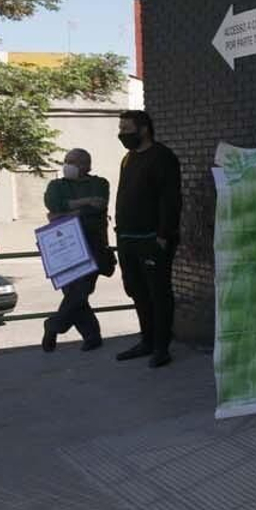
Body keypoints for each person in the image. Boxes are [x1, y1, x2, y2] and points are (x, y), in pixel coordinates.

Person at [114, 110, 182, 368]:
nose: (122, 134)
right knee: (136, 290)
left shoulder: (162, 157)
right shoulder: (128, 159)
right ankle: (147, 340)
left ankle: (161, 347)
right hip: (127, 238)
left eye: (126, 128)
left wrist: (164, 235)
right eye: (120, 129)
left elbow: (171, 199)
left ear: (143, 129)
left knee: (158, 292)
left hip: (153, 239)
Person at [41, 148, 112, 353]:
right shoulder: (56, 185)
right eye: (66, 160)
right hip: (63, 245)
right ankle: (92, 337)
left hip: (92, 245)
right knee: (74, 293)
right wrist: (84, 204)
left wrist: (65, 212)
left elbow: (98, 207)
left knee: (82, 291)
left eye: (72, 161)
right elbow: (53, 204)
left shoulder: (99, 183)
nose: (67, 165)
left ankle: (53, 325)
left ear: (86, 165)